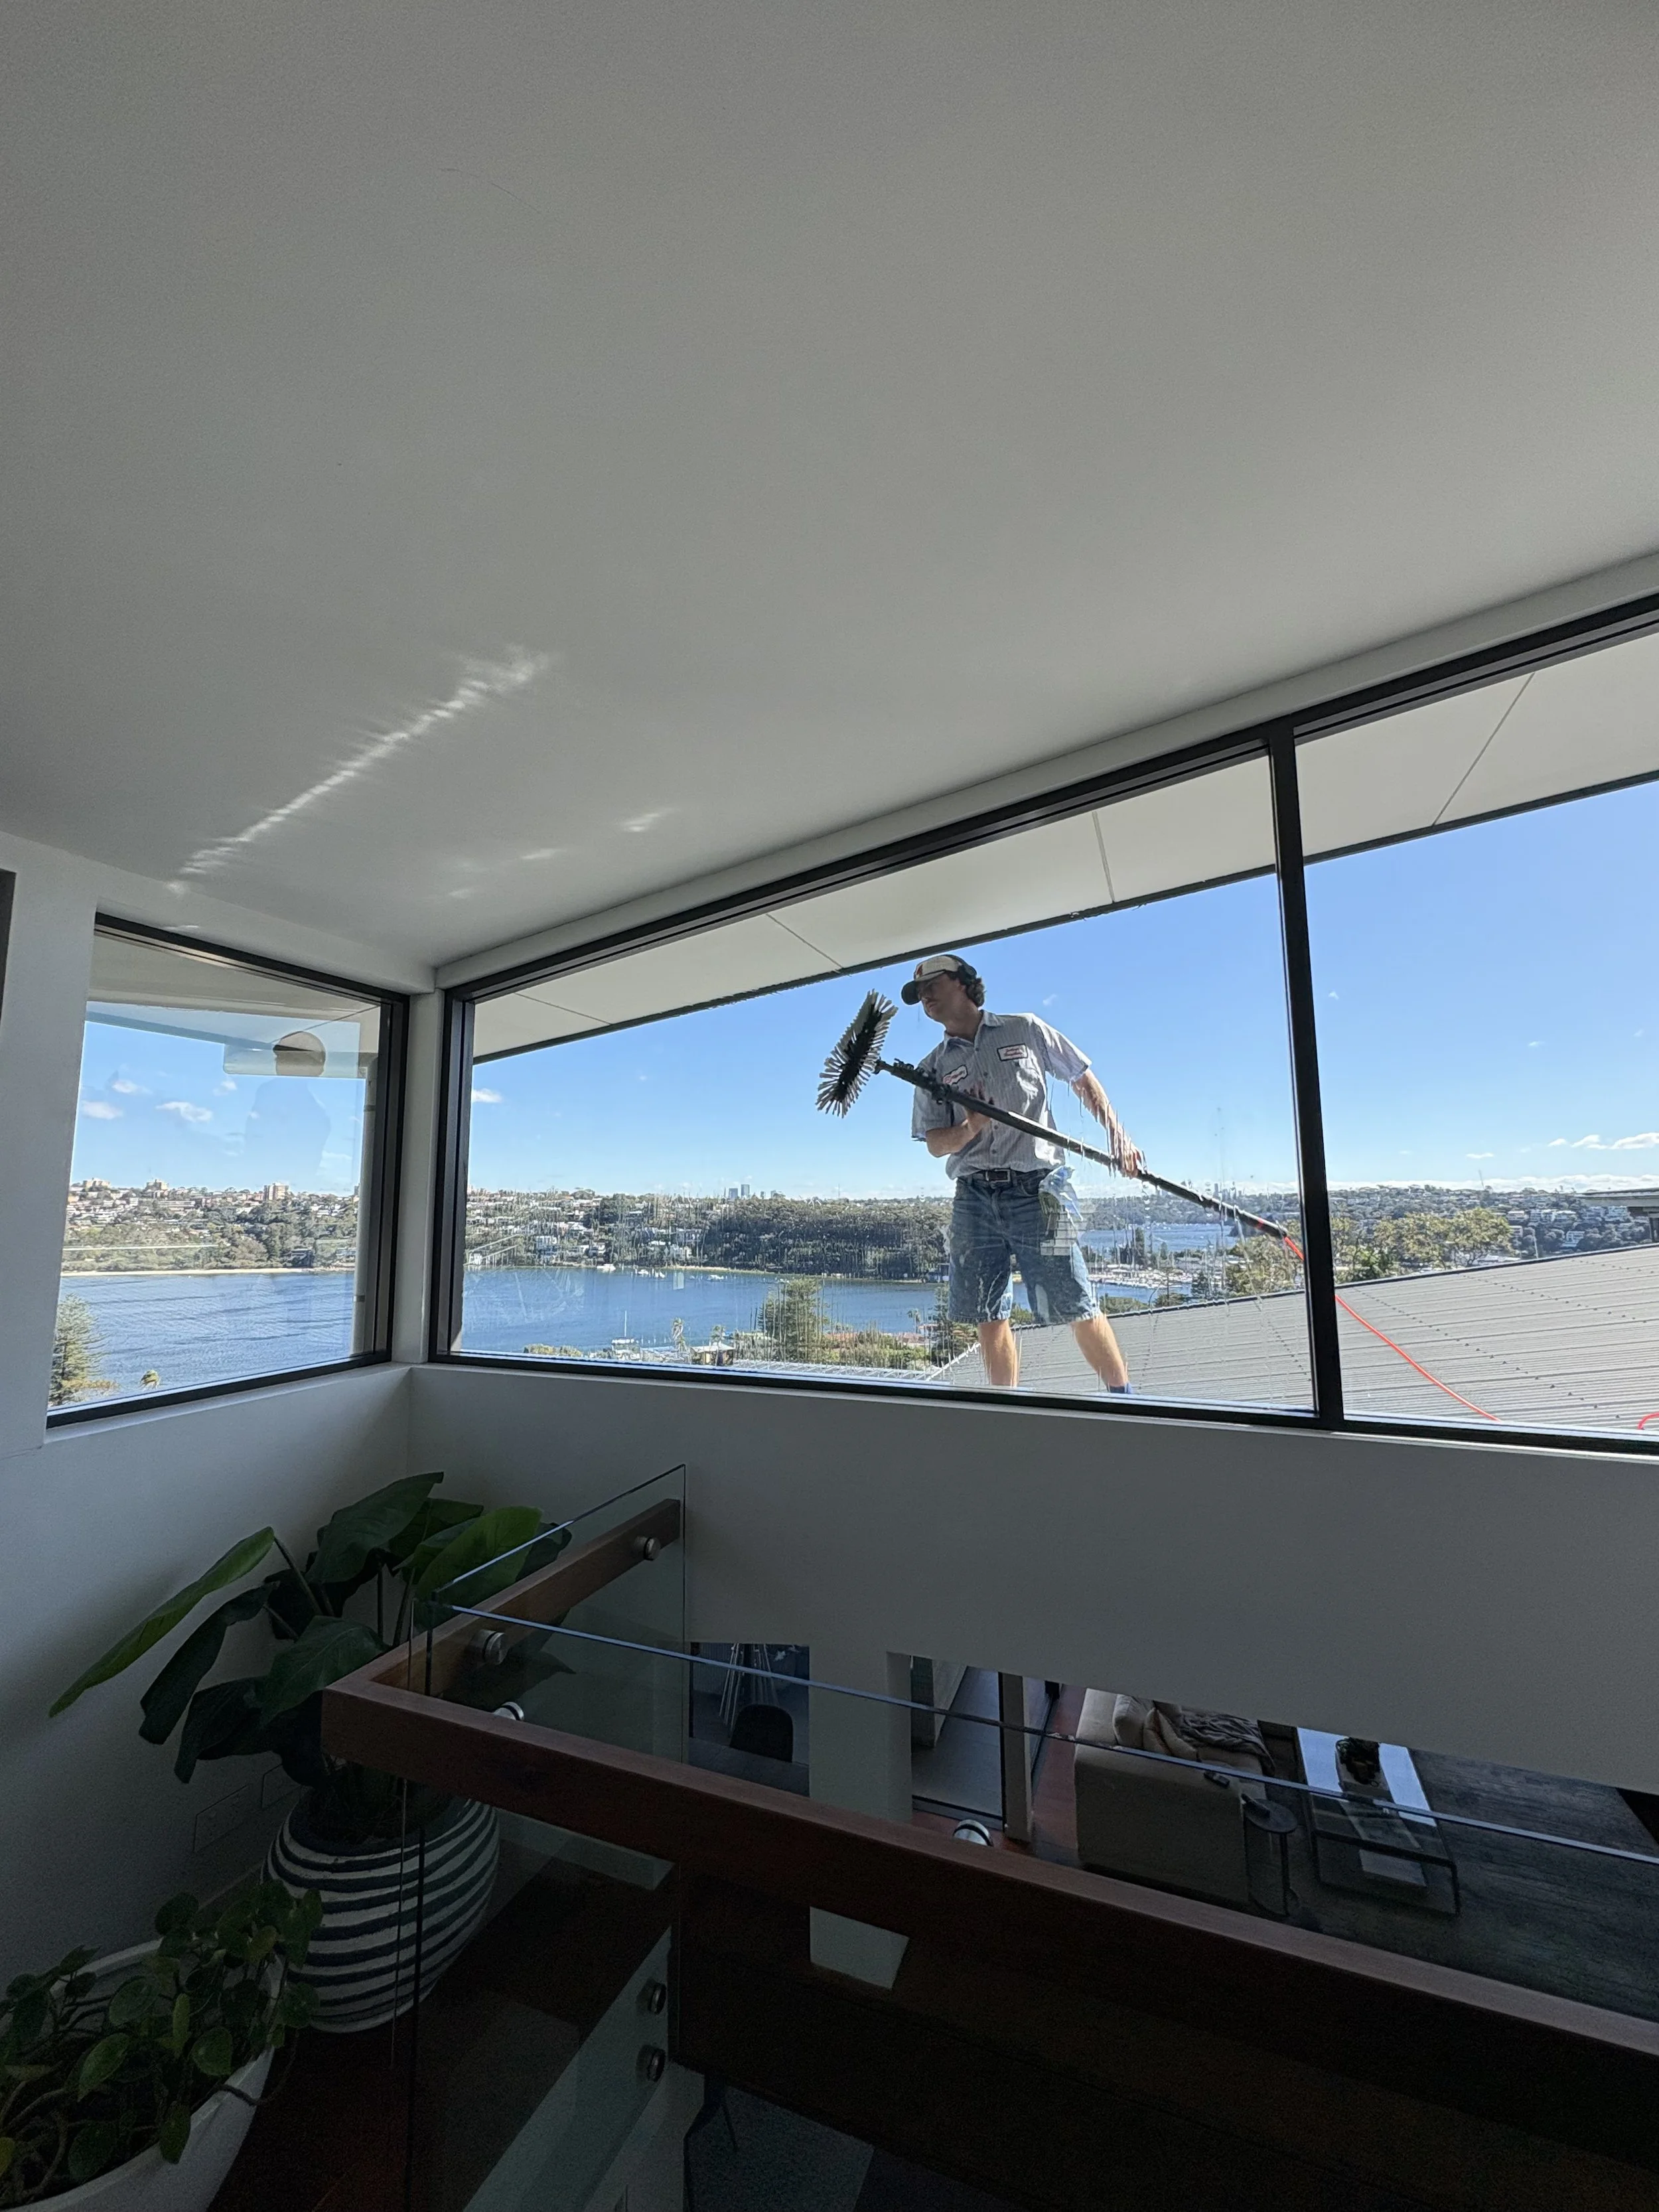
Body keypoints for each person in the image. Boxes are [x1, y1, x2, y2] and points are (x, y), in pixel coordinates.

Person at [905, 953, 1145, 1391]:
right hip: (974, 1195)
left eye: (931, 985)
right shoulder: (932, 1068)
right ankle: (1005, 1411)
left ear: (961, 982)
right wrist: (971, 1127)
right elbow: (936, 1144)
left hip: (1038, 1190)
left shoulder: (1025, 1029)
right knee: (988, 1314)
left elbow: (1081, 1076)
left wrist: (1118, 1134)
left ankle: (1125, 1401)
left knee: (1076, 1302)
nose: (924, 998)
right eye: (918, 993)